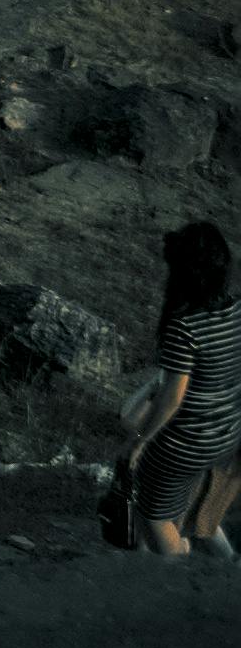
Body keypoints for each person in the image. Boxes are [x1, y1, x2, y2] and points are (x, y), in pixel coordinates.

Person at [123, 220, 240, 554]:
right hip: (226, 433)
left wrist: (140, 442)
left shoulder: (184, 327)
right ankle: (226, 564)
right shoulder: (236, 310)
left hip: (187, 442)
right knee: (195, 509)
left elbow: (172, 399)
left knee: (153, 515)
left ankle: (176, 566)